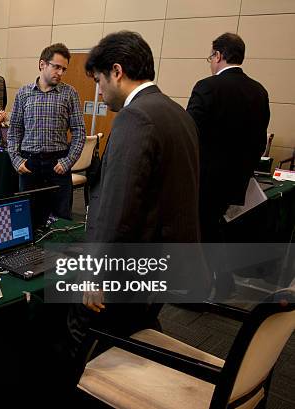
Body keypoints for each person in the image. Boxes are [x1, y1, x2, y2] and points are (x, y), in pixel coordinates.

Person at [44, 31, 206, 403]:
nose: (99, 92)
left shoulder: (136, 119)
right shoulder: (177, 114)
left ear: (116, 71)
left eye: (99, 81)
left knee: (75, 338)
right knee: (134, 330)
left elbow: (118, 205)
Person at [186, 33, 270, 298]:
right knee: (213, 229)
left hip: (205, 178)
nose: (210, 62)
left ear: (219, 56)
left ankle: (199, 289)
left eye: (211, 57)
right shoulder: (259, 91)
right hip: (237, 181)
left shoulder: (207, 87)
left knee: (199, 233)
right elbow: (259, 142)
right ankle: (223, 281)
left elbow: (189, 135)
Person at [6, 43, 85, 220]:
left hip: (58, 164)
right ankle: (28, 249)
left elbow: (79, 132)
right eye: (56, 67)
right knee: (26, 218)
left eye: (63, 69)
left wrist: (68, 161)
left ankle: (60, 249)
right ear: (42, 64)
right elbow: (14, 131)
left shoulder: (69, 93)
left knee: (61, 218)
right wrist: (16, 159)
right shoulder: (24, 93)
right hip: (28, 164)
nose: (60, 72)